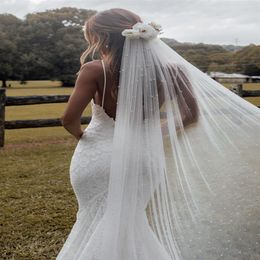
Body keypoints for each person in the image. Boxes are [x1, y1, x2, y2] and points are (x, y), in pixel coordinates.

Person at [58, 8, 260, 260]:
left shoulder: (94, 70)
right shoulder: (174, 70)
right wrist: (153, 131)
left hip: (98, 156)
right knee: (131, 220)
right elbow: (190, 115)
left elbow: (68, 119)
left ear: (104, 38)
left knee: (94, 217)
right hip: (144, 157)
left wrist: (82, 136)